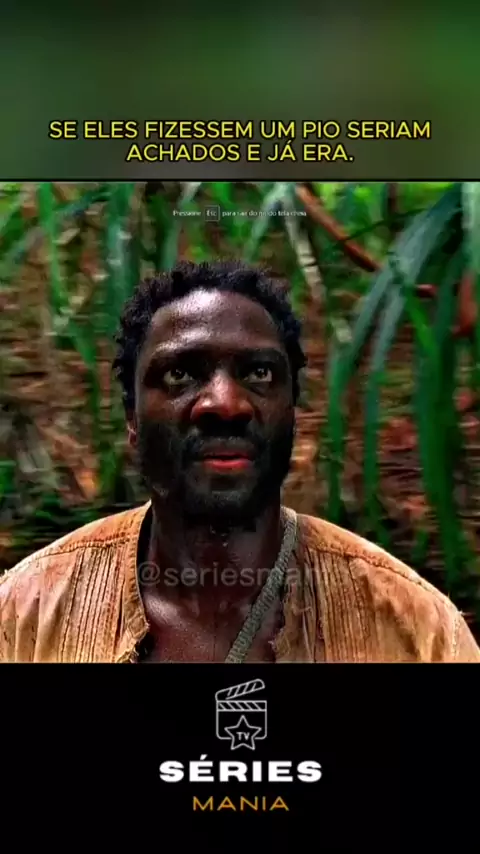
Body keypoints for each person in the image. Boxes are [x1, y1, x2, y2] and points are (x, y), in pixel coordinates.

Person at [1, 260, 479, 663]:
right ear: (132, 417)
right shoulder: (26, 615)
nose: (225, 404)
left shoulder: (418, 631)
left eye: (259, 373)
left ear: (292, 410)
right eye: (180, 374)